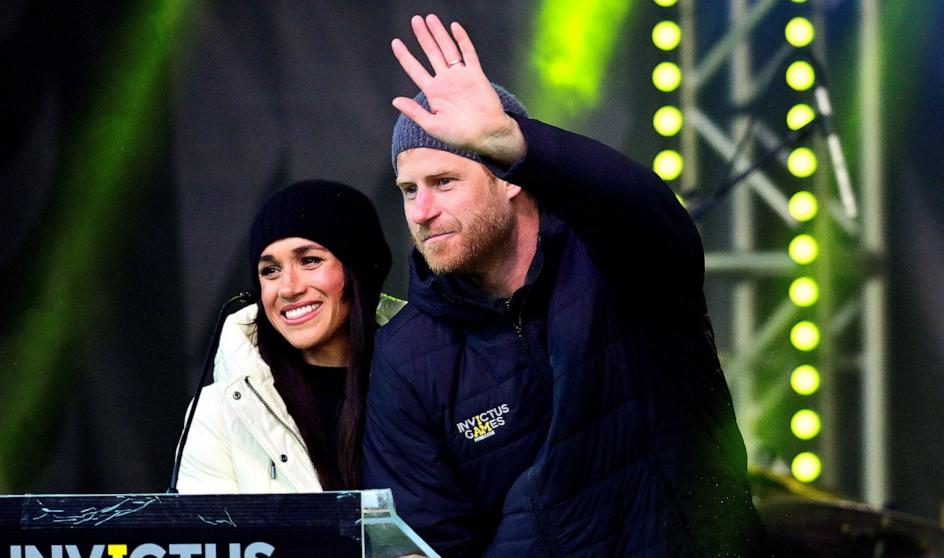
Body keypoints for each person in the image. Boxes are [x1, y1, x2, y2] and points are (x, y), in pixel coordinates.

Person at [362, 14, 770, 557]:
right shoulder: (406, 354)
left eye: (444, 182)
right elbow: (425, 537)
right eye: (409, 190)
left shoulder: (614, 261)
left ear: (509, 179)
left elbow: (646, 212)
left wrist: (514, 141)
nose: (423, 211)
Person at [177, 179, 392, 493]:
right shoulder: (217, 413)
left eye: (309, 261)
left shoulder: (425, 381)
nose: (289, 288)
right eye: (270, 270)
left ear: (359, 271)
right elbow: (213, 540)